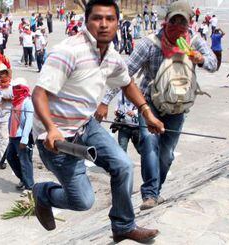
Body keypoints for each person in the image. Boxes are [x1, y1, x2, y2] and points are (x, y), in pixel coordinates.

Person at [31, 0, 163, 242]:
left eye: (109, 19)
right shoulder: (68, 52)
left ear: (117, 23)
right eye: (97, 18)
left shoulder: (112, 56)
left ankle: (123, 226)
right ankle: (43, 193)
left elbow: (126, 83)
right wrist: (51, 129)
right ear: (86, 21)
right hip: (57, 140)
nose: (103, 24)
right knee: (82, 202)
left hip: (86, 126)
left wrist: (147, 112)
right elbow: (39, 94)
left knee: (123, 166)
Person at [98, 0, 217, 211]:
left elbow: (213, 64)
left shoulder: (194, 41)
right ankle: (150, 194)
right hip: (150, 104)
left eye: (183, 23)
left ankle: (156, 190)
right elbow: (125, 74)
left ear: (190, 24)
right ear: (165, 22)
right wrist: (105, 101)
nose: (178, 28)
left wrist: (199, 59)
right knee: (149, 145)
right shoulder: (150, 43)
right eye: (174, 22)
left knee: (167, 154)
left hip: (178, 107)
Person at [7, 78, 35, 194]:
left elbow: (29, 121)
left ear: (22, 88)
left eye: (17, 87)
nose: (14, 90)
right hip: (13, 136)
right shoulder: (15, 101)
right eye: (13, 88)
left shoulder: (27, 102)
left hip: (22, 138)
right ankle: (23, 179)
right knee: (10, 157)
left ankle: (30, 187)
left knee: (25, 161)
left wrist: (24, 139)